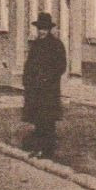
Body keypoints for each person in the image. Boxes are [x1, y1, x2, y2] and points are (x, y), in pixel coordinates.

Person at [21, 11, 67, 158]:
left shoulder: (56, 45)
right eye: (39, 28)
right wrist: (27, 80)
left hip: (49, 90)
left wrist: (48, 78)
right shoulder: (35, 45)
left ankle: (47, 151)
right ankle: (38, 148)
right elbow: (28, 65)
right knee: (37, 120)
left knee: (48, 121)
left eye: (44, 29)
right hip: (35, 89)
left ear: (49, 29)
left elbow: (61, 66)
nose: (41, 31)